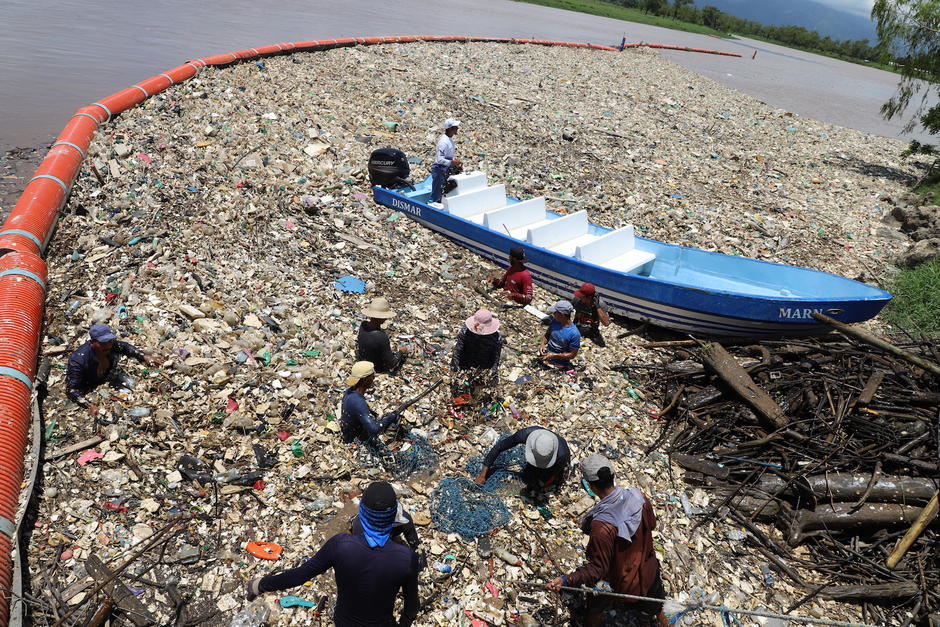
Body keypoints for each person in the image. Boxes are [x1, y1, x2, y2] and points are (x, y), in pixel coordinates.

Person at [246, 481, 419, 627]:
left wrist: (260, 585)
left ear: (362, 513)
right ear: (393, 517)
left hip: (345, 622)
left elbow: (299, 575)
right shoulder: (406, 558)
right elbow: (412, 607)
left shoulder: (341, 545)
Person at [547, 455, 668, 627]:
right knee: (658, 604)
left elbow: (598, 569)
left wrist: (567, 580)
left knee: (594, 610)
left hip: (620, 581)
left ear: (590, 485)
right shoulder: (639, 497)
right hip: (649, 569)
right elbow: (652, 525)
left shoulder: (602, 526)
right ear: (613, 476)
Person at [66, 323, 164, 416]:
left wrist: (145, 356)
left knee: (135, 389)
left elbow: (125, 347)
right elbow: (71, 390)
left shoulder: (111, 345)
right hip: (91, 384)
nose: (108, 345)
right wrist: (89, 405)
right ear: (92, 342)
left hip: (109, 375)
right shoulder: (78, 360)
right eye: (103, 342)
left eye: (110, 341)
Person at [474, 426, 570, 494]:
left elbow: (551, 473)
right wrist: (483, 475)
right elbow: (499, 447)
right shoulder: (525, 434)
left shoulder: (562, 455)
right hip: (542, 458)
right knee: (527, 476)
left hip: (554, 465)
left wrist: (538, 485)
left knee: (539, 483)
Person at [340, 361, 399, 444]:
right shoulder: (358, 401)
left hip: (347, 432)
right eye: (372, 375)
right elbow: (374, 429)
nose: (374, 378)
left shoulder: (349, 391)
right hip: (354, 440)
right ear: (365, 380)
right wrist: (390, 417)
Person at [357, 297, 409, 374]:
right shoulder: (381, 337)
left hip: (362, 361)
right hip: (376, 369)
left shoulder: (363, 325)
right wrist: (401, 352)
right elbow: (391, 364)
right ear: (381, 317)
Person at [450, 309, 503, 379]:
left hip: (482, 367)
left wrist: (492, 372)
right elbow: (458, 351)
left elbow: (495, 358)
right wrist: (456, 368)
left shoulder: (496, 338)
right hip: (464, 363)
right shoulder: (465, 332)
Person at [539, 300, 581, 369]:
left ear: (562, 315)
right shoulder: (555, 321)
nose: (553, 314)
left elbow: (572, 354)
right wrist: (542, 344)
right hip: (546, 356)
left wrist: (554, 355)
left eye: (555, 312)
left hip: (559, 364)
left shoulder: (574, 333)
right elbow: (547, 334)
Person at [430, 118, 462, 203]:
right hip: (439, 170)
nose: (457, 128)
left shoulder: (450, 139)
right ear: (450, 128)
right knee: (436, 194)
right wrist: (452, 162)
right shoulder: (444, 142)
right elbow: (440, 159)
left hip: (445, 170)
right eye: (455, 127)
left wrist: (454, 164)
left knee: (444, 191)